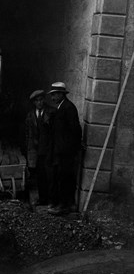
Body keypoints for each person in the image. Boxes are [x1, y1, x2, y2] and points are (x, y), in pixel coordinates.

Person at [46, 82, 82, 215]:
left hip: (65, 152)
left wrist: (71, 148)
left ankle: (64, 206)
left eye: (55, 95)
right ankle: (63, 204)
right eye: (52, 95)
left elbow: (75, 130)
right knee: (60, 177)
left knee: (64, 178)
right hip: (60, 151)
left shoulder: (68, 108)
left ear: (62, 94)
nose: (52, 98)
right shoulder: (61, 108)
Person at [25, 89, 55, 206]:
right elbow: (28, 134)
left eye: (41, 99)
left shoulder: (52, 113)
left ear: (44, 100)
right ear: (34, 102)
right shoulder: (30, 115)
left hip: (48, 149)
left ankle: (51, 200)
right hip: (37, 151)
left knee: (51, 176)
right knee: (40, 175)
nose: (40, 102)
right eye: (37, 101)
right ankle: (42, 199)